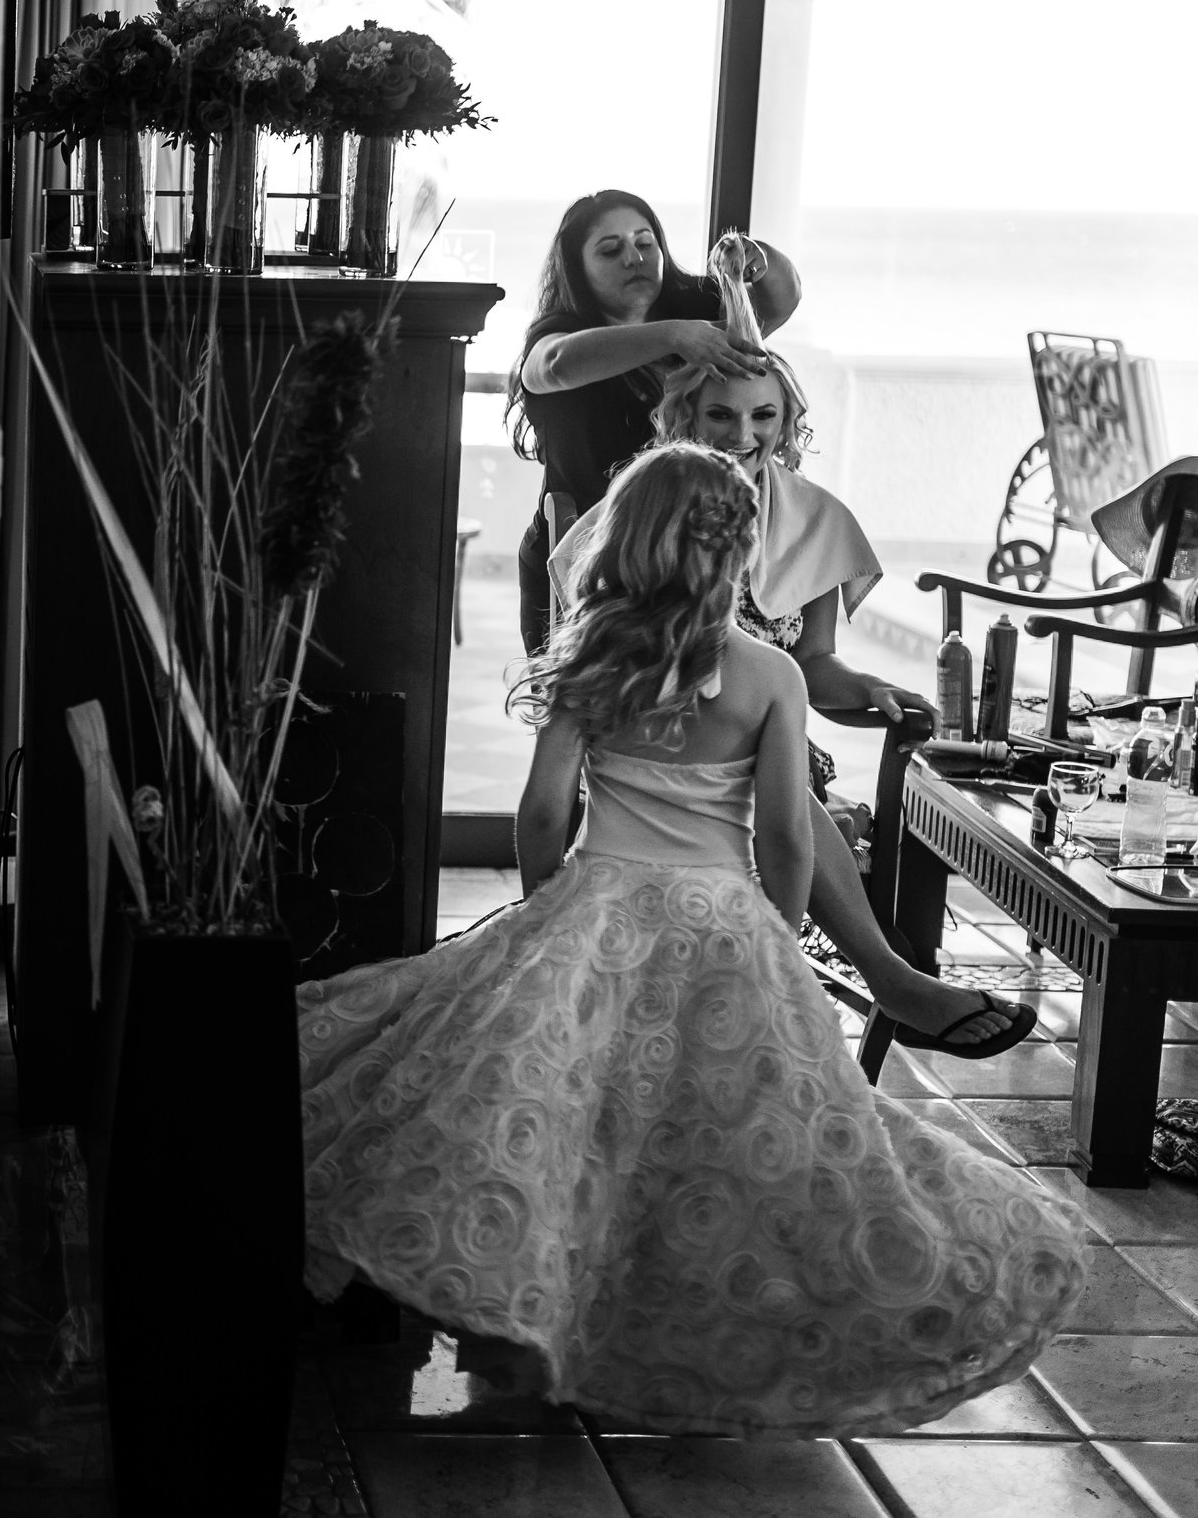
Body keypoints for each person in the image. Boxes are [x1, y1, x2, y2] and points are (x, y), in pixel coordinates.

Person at [299, 443, 1086, 1437]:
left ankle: (533, 1319)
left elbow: (542, 812)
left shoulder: (588, 657)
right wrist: (779, 930)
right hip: (724, 924)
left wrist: (552, 911)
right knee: (725, 1135)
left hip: (595, 905)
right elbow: (788, 832)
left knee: (565, 1121)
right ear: (740, 555)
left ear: (621, 540)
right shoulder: (764, 674)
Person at [552, 355, 1035, 1054]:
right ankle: (888, 977)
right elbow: (597, 664)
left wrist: (867, 689)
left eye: (763, 415)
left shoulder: (813, 521)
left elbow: (812, 665)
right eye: (720, 414)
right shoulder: (633, 516)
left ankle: (874, 979)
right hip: (654, 757)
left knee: (776, 780)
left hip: (772, 745)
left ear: (787, 421)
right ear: (686, 417)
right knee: (771, 790)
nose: (743, 432)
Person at [508, 190, 801, 654]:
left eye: (646, 243)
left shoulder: (699, 310)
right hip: (589, 557)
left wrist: (757, 258)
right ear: (576, 268)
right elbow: (553, 366)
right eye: (611, 249)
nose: (634, 258)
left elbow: (782, 298)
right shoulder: (560, 332)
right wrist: (674, 336)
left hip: (696, 552)